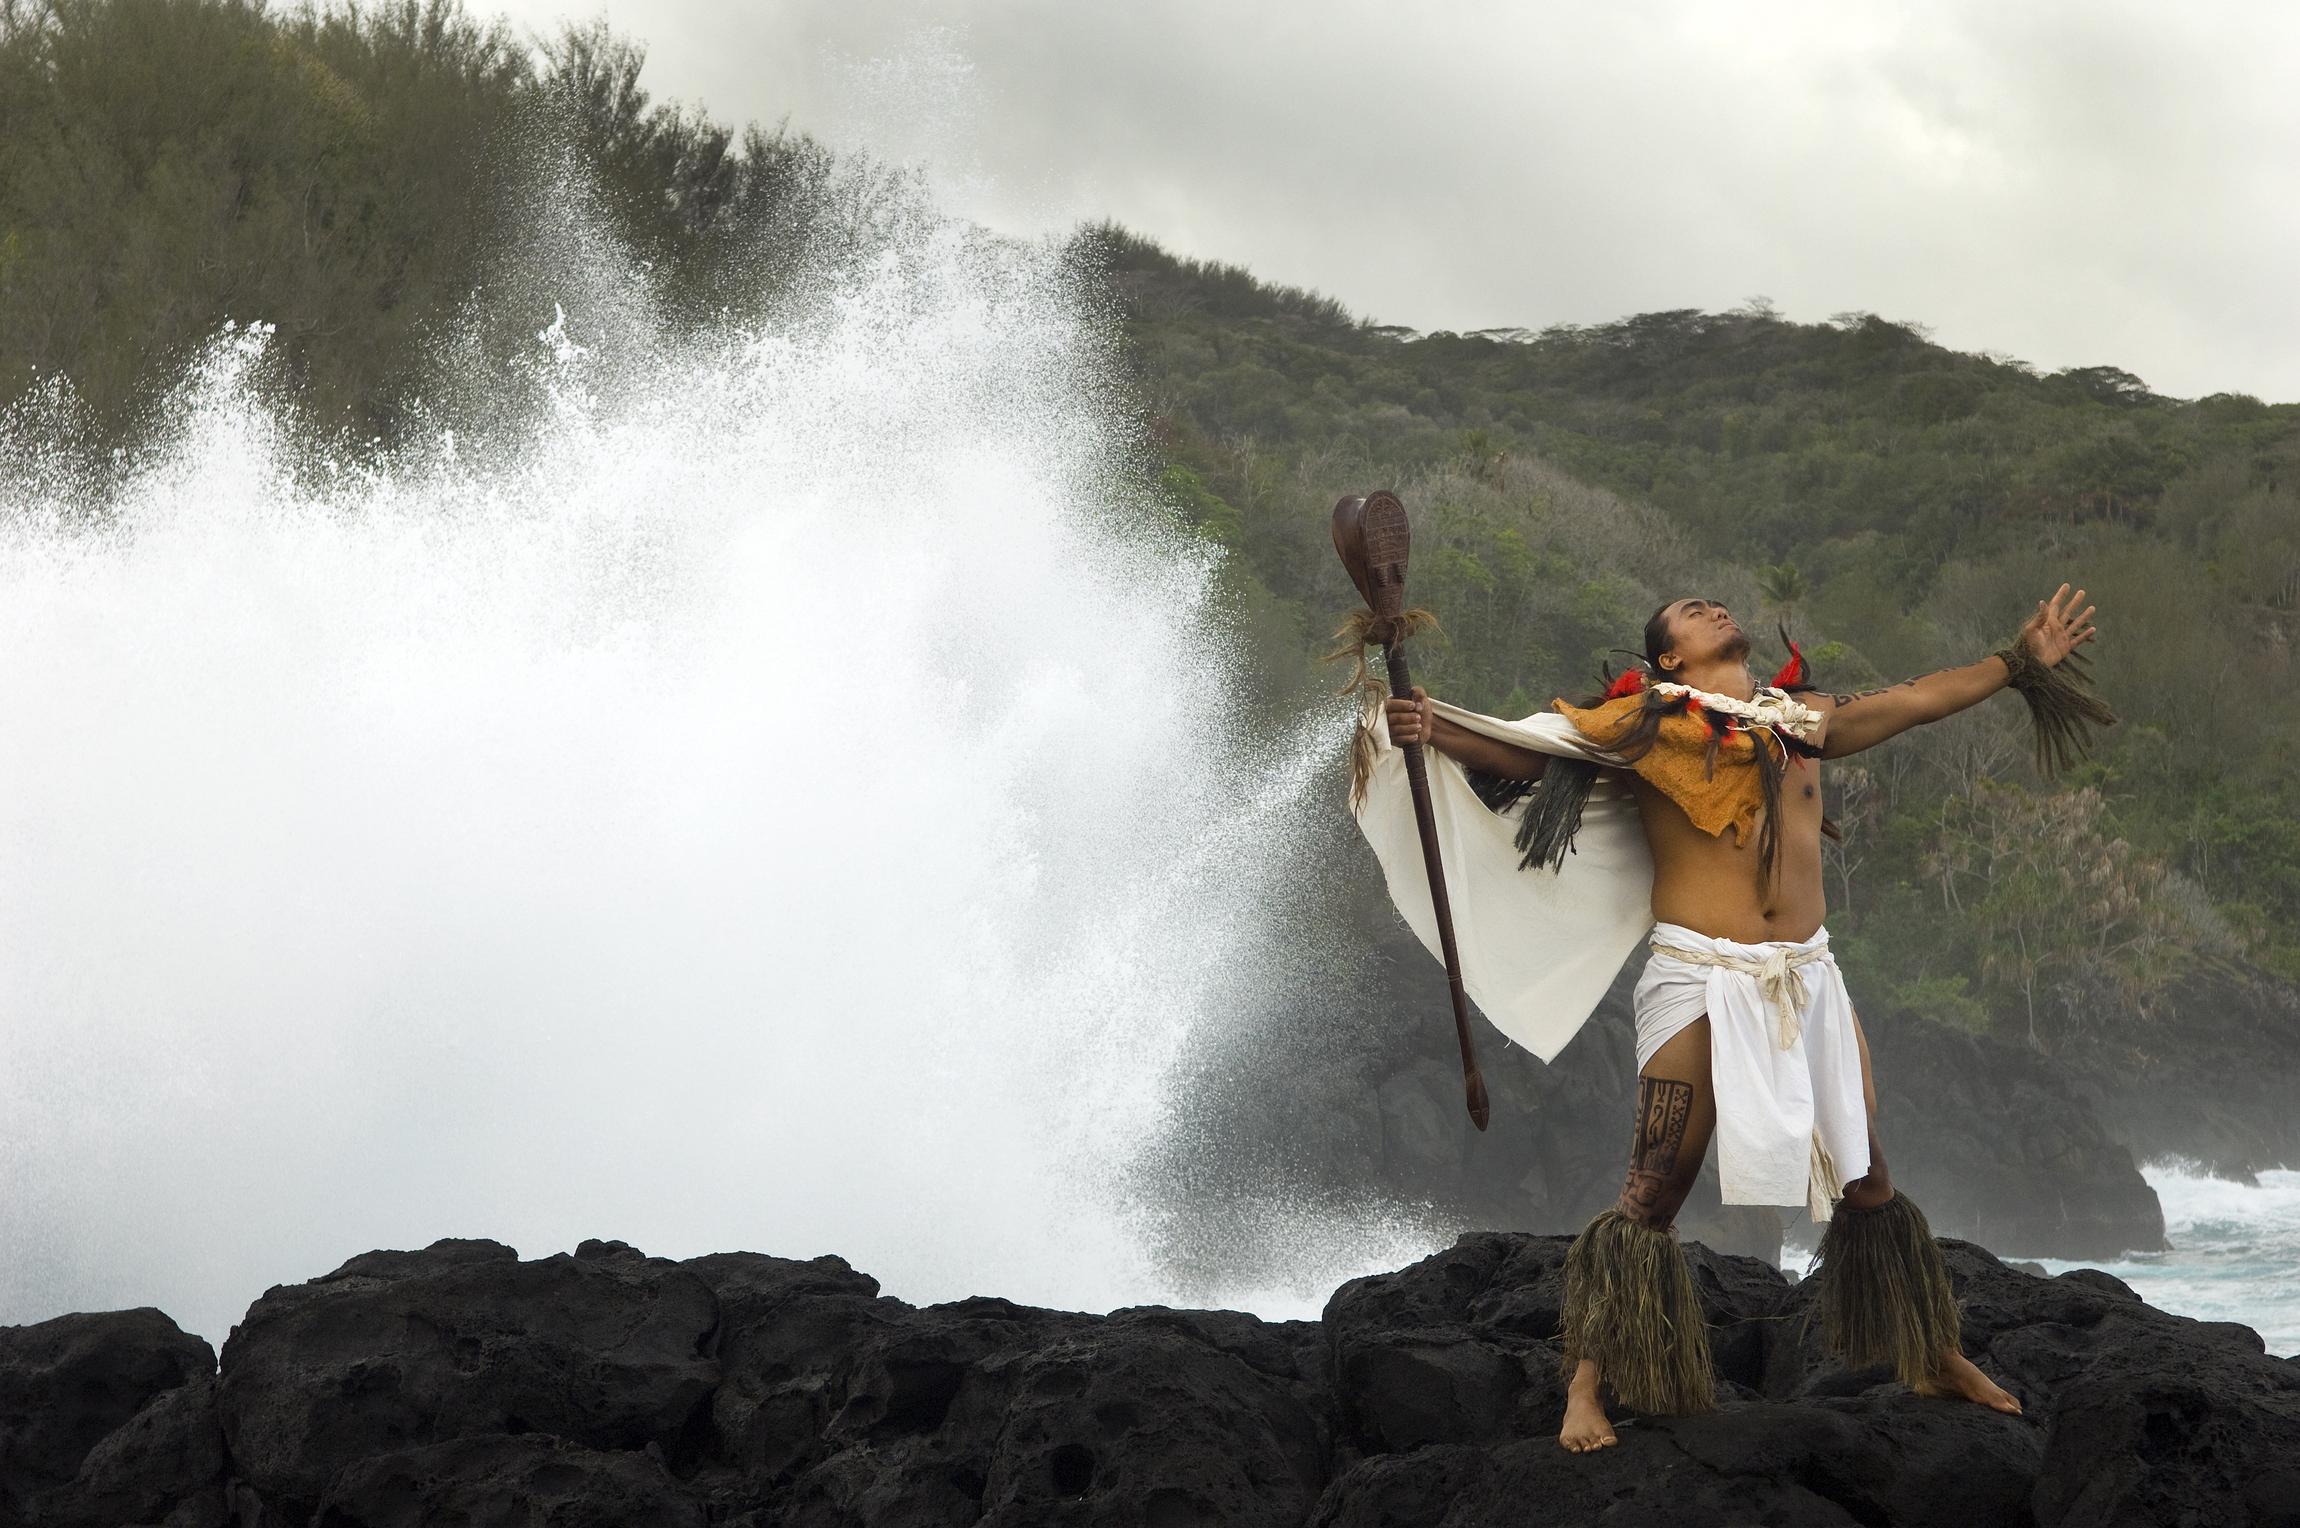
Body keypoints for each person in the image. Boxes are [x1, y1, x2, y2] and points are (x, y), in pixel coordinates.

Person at [1359, 584, 2108, 1453]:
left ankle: (1930, 1352)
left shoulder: (1800, 721)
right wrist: (1433, 728)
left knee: (1867, 1177)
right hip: (1700, 977)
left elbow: (1914, 700)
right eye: (1690, 610)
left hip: (1807, 977)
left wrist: (2017, 663)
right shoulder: (1645, 725)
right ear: (1668, 655)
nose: (1713, 608)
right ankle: (1587, 1388)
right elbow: (1534, 751)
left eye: (1716, 602)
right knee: (1652, 1191)